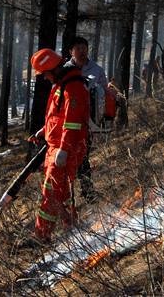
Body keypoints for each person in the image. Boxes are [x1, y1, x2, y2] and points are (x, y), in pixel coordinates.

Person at [29, 48, 90, 242]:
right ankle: (72, 229)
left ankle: (42, 236)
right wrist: (44, 130)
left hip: (67, 148)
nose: (45, 78)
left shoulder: (73, 87)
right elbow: (58, 116)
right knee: (59, 193)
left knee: (52, 193)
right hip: (55, 147)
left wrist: (63, 149)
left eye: (45, 74)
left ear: (53, 69)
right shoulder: (60, 84)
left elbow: (72, 123)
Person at [63, 36, 107, 204]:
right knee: (66, 159)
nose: (82, 51)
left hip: (87, 123)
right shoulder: (65, 70)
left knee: (83, 157)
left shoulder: (96, 70)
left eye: (84, 48)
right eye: (78, 48)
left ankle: (88, 194)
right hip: (67, 123)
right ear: (71, 52)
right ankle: (67, 198)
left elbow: (104, 92)